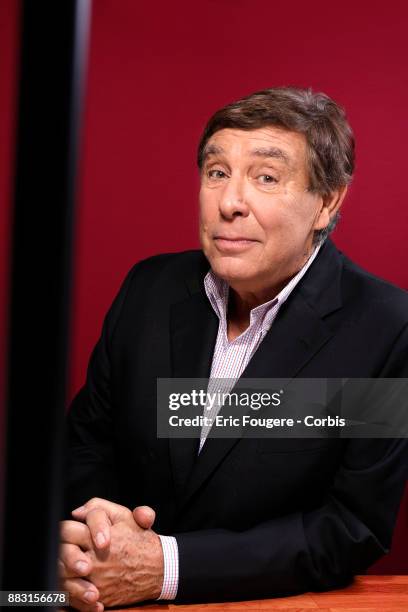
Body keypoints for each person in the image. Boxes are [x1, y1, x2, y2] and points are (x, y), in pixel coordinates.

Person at [59, 87, 408, 611]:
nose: (229, 203)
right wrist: (101, 536)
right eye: (217, 172)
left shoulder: (385, 327)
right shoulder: (149, 289)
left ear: (327, 201)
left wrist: (165, 566)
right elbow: (87, 443)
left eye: (266, 178)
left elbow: (349, 527)